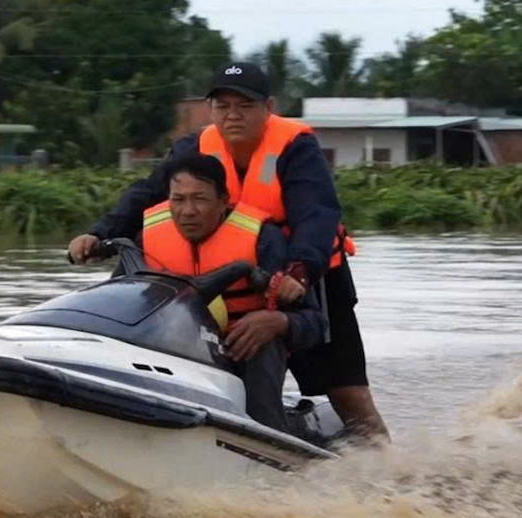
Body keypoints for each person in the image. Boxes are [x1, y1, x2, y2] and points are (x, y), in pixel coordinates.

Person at [69, 61, 391, 445]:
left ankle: (388, 470)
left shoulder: (296, 147)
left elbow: (317, 215)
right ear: (211, 109)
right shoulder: (194, 147)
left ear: (268, 107)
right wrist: (98, 233)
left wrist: (299, 272)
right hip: (225, 275)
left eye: (245, 105)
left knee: (347, 393)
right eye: (222, 106)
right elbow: (148, 192)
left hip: (306, 273)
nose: (232, 115)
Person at [141, 154, 325, 433]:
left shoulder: (264, 240)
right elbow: (120, 299)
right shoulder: (146, 240)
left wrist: (277, 322)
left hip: (243, 354)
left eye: (199, 199)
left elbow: (315, 323)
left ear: (223, 200)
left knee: (262, 342)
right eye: (178, 200)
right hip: (174, 356)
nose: (187, 211)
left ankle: (269, 439)